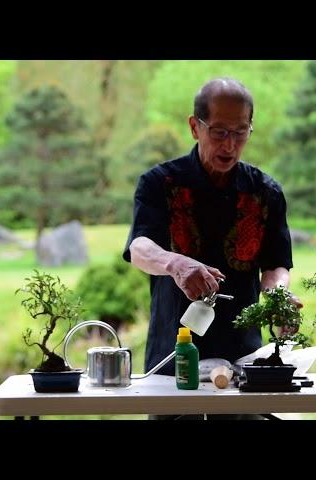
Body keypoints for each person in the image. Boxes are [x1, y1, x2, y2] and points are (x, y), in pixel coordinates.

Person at [123, 77, 303, 408]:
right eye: (219, 132)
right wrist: (175, 263)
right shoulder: (160, 183)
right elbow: (139, 248)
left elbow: (276, 264)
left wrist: (278, 296)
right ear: (195, 127)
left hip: (246, 359)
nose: (230, 145)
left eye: (240, 132)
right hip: (173, 357)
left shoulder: (265, 192)